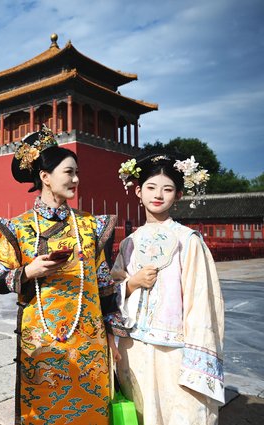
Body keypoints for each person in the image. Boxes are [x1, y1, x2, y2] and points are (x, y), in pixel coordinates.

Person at [0, 128, 127, 424]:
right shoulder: (19, 228)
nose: (76, 179)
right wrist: (29, 271)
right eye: (69, 172)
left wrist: (113, 336)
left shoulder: (90, 225)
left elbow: (104, 285)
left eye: (77, 173)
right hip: (41, 340)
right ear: (45, 176)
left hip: (89, 340)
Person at [112, 152, 224, 424]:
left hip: (175, 349)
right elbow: (110, 289)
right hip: (134, 346)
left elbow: (202, 302)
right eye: (150, 187)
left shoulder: (189, 241)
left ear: (179, 194)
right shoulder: (130, 243)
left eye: (167, 189)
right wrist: (132, 283)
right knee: (139, 412)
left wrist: (196, 355)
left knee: (180, 412)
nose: (158, 195)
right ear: (138, 191)